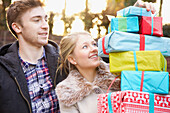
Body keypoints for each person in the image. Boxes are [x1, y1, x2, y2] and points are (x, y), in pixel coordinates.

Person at [55, 1, 157, 112]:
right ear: (72, 59)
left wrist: (136, 14)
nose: (94, 48)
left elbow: (132, 44)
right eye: (85, 47)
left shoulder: (118, 73)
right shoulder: (67, 93)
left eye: (94, 44)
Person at [0, 0, 67, 113]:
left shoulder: (64, 61)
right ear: (17, 27)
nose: (45, 26)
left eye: (46, 19)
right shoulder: (2, 71)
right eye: (37, 20)